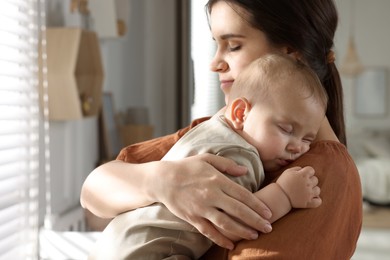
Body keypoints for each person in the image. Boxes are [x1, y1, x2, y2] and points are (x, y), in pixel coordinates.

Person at [81, 0, 363, 259]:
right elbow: (93, 191)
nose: (214, 63)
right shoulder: (220, 131)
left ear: (290, 54)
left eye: (233, 45)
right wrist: (161, 180)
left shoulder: (323, 174)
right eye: (216, 44)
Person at [88, 54, 326, 259]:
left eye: (307, 140)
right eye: (286, 129)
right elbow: (232, 223)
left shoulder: (210, 131)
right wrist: (284, 194)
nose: (297, 147)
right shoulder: (239, 157)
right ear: (241, 113)